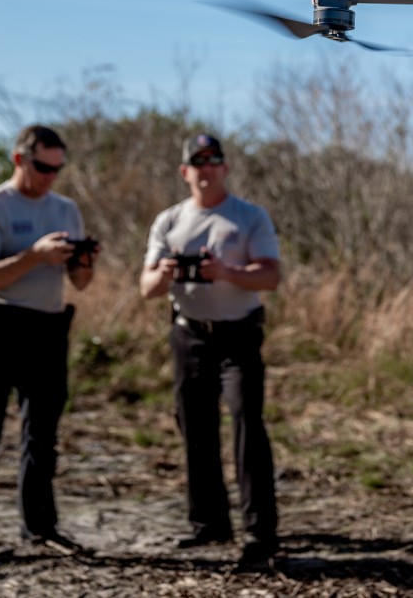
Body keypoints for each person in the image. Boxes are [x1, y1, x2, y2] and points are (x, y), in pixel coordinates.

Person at [0, 125, 98, 567]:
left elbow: (81, 283)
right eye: (43, 167)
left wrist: (83, 260)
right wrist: (34, 255)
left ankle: (41, 527)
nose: (51, 176)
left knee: (42, 434)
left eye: (58, 168)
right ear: (19, 160)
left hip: (48, 326)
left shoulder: (66, 209)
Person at [139, 133, 285, 569]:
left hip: (238, 335)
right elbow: (145, 288)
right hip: (188, 335)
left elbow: (271, 277)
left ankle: (260, 530)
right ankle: (208, 523)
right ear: (185, 172)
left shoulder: (248, 217)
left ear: (225, 168)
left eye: (214, 161)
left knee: (246, 422)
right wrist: (166, 272)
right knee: (194, 426)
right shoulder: (168, 222)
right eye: (197, 163)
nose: (206, 170)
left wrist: (225, 271)